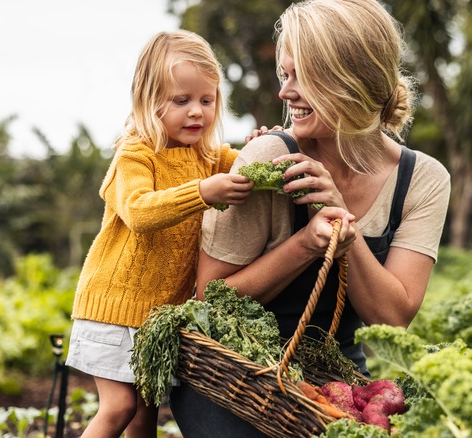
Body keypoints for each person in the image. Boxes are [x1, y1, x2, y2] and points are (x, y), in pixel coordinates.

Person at [170, 0, 451, 435]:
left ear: (350, 80)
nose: (285, 92)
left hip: (331, 384)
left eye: (302, 76)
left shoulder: (422, 180)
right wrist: (306, 244)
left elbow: (391, 319)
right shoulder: (269, 158)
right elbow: (211, 301)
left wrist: (342, 225)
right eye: (286, 75)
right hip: (235, 379)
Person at [65, 30, 253, 438]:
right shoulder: (135, 153)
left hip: (156, 321)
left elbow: (250, 167)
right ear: (149, 102)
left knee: (145, 416)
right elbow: (139, 211)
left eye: (206, 100)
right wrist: (203, 192)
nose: (196, 113)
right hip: (113, 308)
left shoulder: (211, 156)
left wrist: (261, 146)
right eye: (181, 101)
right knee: (120, 407)